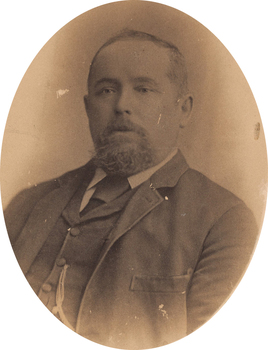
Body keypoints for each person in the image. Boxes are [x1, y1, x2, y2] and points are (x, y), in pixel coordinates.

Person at [4, 30, 258, 349]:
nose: (122, 105)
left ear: (184, 109)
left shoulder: (223, 222)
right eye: (107, 90)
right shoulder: (26, 204)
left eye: (143, 89)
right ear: (87, 107)